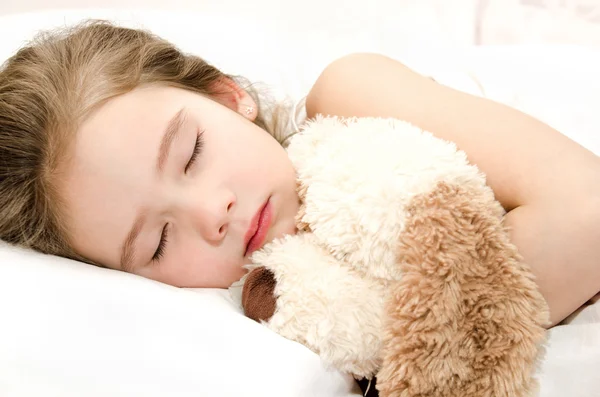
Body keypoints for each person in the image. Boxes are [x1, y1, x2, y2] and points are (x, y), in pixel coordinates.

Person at [0, 20, 598, 327]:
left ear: (228, 96)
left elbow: (588, 213)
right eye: (157, 243)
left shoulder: (351, 95)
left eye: (191, 154)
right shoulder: (279, 310)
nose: (212, 213)